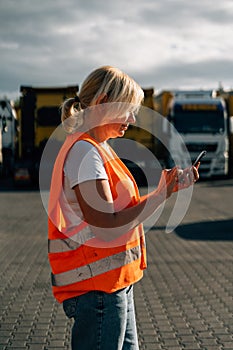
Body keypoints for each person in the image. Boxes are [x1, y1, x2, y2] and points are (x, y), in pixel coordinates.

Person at [47, 65, 199, 350]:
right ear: (103, 102)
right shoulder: (85, 152)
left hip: (111, 284)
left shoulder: (98, 147)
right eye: (128, 108)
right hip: (98, 290)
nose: (133, 118)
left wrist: (167, 189)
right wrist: (160, 196)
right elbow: (105, 226)